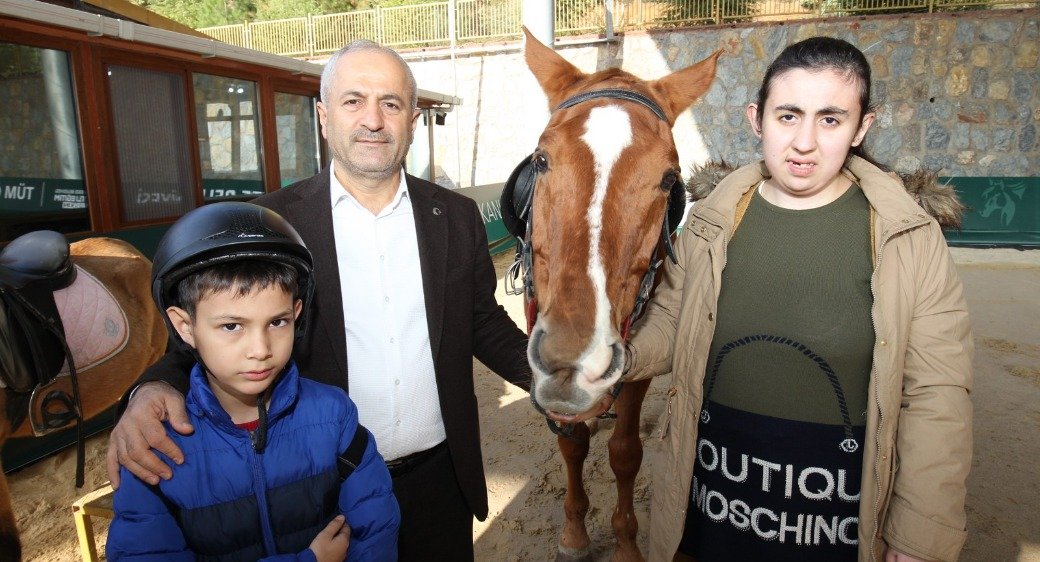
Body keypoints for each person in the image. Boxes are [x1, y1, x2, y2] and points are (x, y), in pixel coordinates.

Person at [106, 40, 533, 560]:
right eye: (354, 101)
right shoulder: (266, 226)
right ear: (324, 117)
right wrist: (149, 391)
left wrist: (546, 378)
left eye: (391, 103)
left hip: (440, 481)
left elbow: (481, 320)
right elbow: (206, 333)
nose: (373, 120)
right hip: (323, 496)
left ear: (413, 120)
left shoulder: (457, 216)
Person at [621, 37, 973, 562]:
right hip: (716, 504)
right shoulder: (712, 222)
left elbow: (938, 393)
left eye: (830, 119)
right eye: (788, 116)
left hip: (833, 522)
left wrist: (920, 535)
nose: (804, 142)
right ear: (756, 119)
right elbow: (672, 323)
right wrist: (614, 360)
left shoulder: (908, 237)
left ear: (862, 128)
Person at [106, 201, 399, 561]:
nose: (260, 349)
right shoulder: (153, 446)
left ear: (297, 314)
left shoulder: (334, 414)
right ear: (185, 327)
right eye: (232, 326)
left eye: (277, 322)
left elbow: (376, 529)